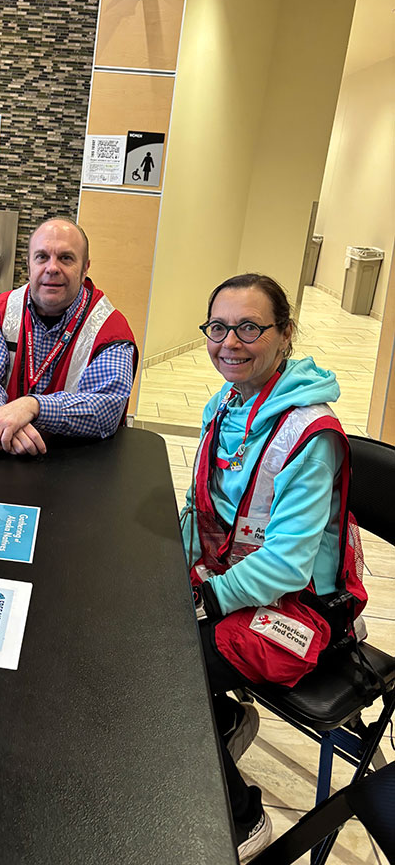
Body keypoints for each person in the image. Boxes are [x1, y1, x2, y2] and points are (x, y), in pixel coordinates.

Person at [180, 273, 367, 862]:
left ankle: (242, 821)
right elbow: (200, 511)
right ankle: (225, 719)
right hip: (235, 578)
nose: (229, 342)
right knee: (134, 615)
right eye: (218, 327)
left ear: (284, 335)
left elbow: (287, 563)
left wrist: (204, 601)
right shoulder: (225, 402)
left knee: (169, 668)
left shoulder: (310, 433)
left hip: (302, 604)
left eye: (249, 328)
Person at [0, 218, 137, 455]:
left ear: (85, 268)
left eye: (66, 258)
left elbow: (106, 409)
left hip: (77, 464)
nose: (52, 268)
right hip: (3, 450)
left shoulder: (111, 329)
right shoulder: (2, 310)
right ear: (29, 266)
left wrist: (34, 406)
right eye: (42, 257)